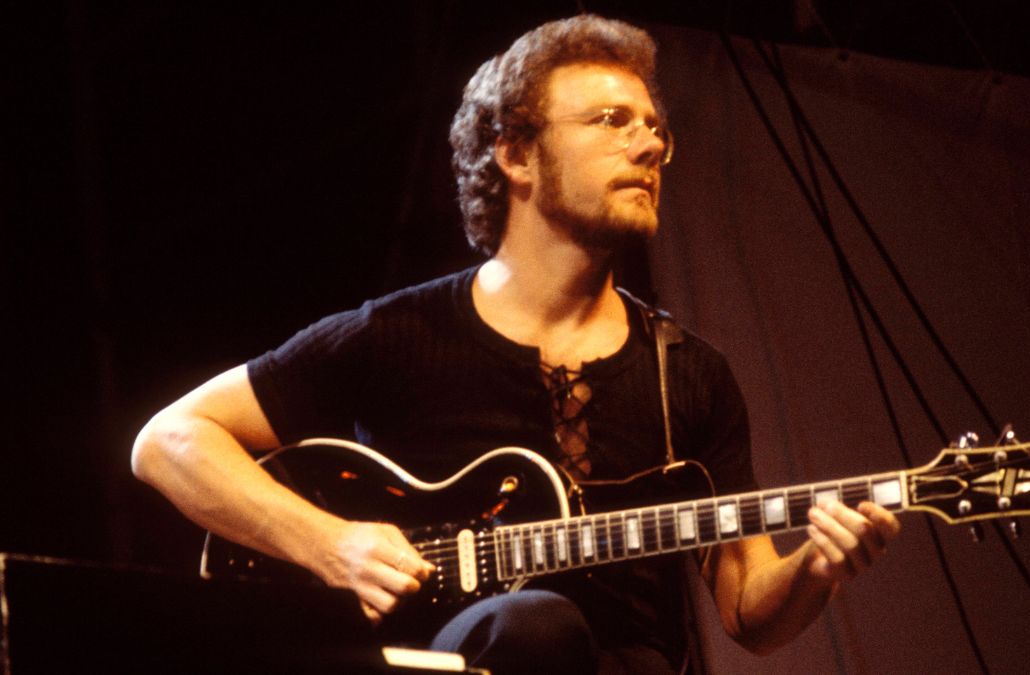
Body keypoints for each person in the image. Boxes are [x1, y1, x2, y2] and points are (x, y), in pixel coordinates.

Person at [131, 14, 899, 675]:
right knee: (537, 625)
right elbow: (168, 441)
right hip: (443, 656)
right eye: (611, 122)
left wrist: (816, 566)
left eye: (654, 127)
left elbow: (745, 609)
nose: (649, 147)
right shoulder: (400, 334)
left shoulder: (693, 375)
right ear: (515, 153)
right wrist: (332, 544)